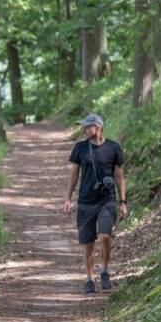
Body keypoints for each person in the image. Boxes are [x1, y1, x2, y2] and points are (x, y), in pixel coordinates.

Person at [62, 114, 127, 294]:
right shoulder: (80, 148)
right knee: (88, 243)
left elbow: (120, 176)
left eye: (87, 127)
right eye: (83, 127)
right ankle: (90, 279)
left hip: (107, 201)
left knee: (105, 235)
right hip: (85, 202)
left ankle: (104, 271)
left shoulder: (113, 148)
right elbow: (74, 175)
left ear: (97, 128)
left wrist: (123, 202)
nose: (83, 130)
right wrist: (68, 198)